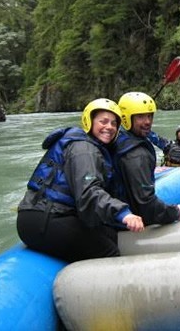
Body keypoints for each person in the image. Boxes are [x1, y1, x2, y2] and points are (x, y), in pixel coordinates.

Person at [16, 98, 145, 263]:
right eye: (103, 121)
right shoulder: (84, 150)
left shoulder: (90, 146)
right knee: (108, 251)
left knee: (109, 234)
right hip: (46, 218)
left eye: (114, 123)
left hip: (44, 216)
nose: (109, 127)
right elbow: (89, 192)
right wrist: (123, 213)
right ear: (89, 121)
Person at [114, 92, 180, 225]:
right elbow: (147, 205)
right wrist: (176, 212)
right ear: (126, 118)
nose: (148, 122)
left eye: (149, 116)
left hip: (121, 210)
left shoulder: (117, 139)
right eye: (141, 116)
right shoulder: (137, 155)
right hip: (129, 222)